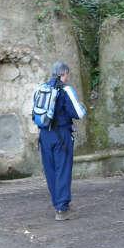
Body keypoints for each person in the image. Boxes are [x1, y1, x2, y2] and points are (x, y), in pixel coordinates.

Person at [38, 61, 87, 221]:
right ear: (64, 73)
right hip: (61, 134)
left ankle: (57, 204)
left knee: (51, 171)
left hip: (44, 135)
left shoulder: (42, 88)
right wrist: (83, 106)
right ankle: (62, 209)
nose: (68, 77)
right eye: (68, 74)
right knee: (63, 169)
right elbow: (78, 113)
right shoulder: (66, 90)